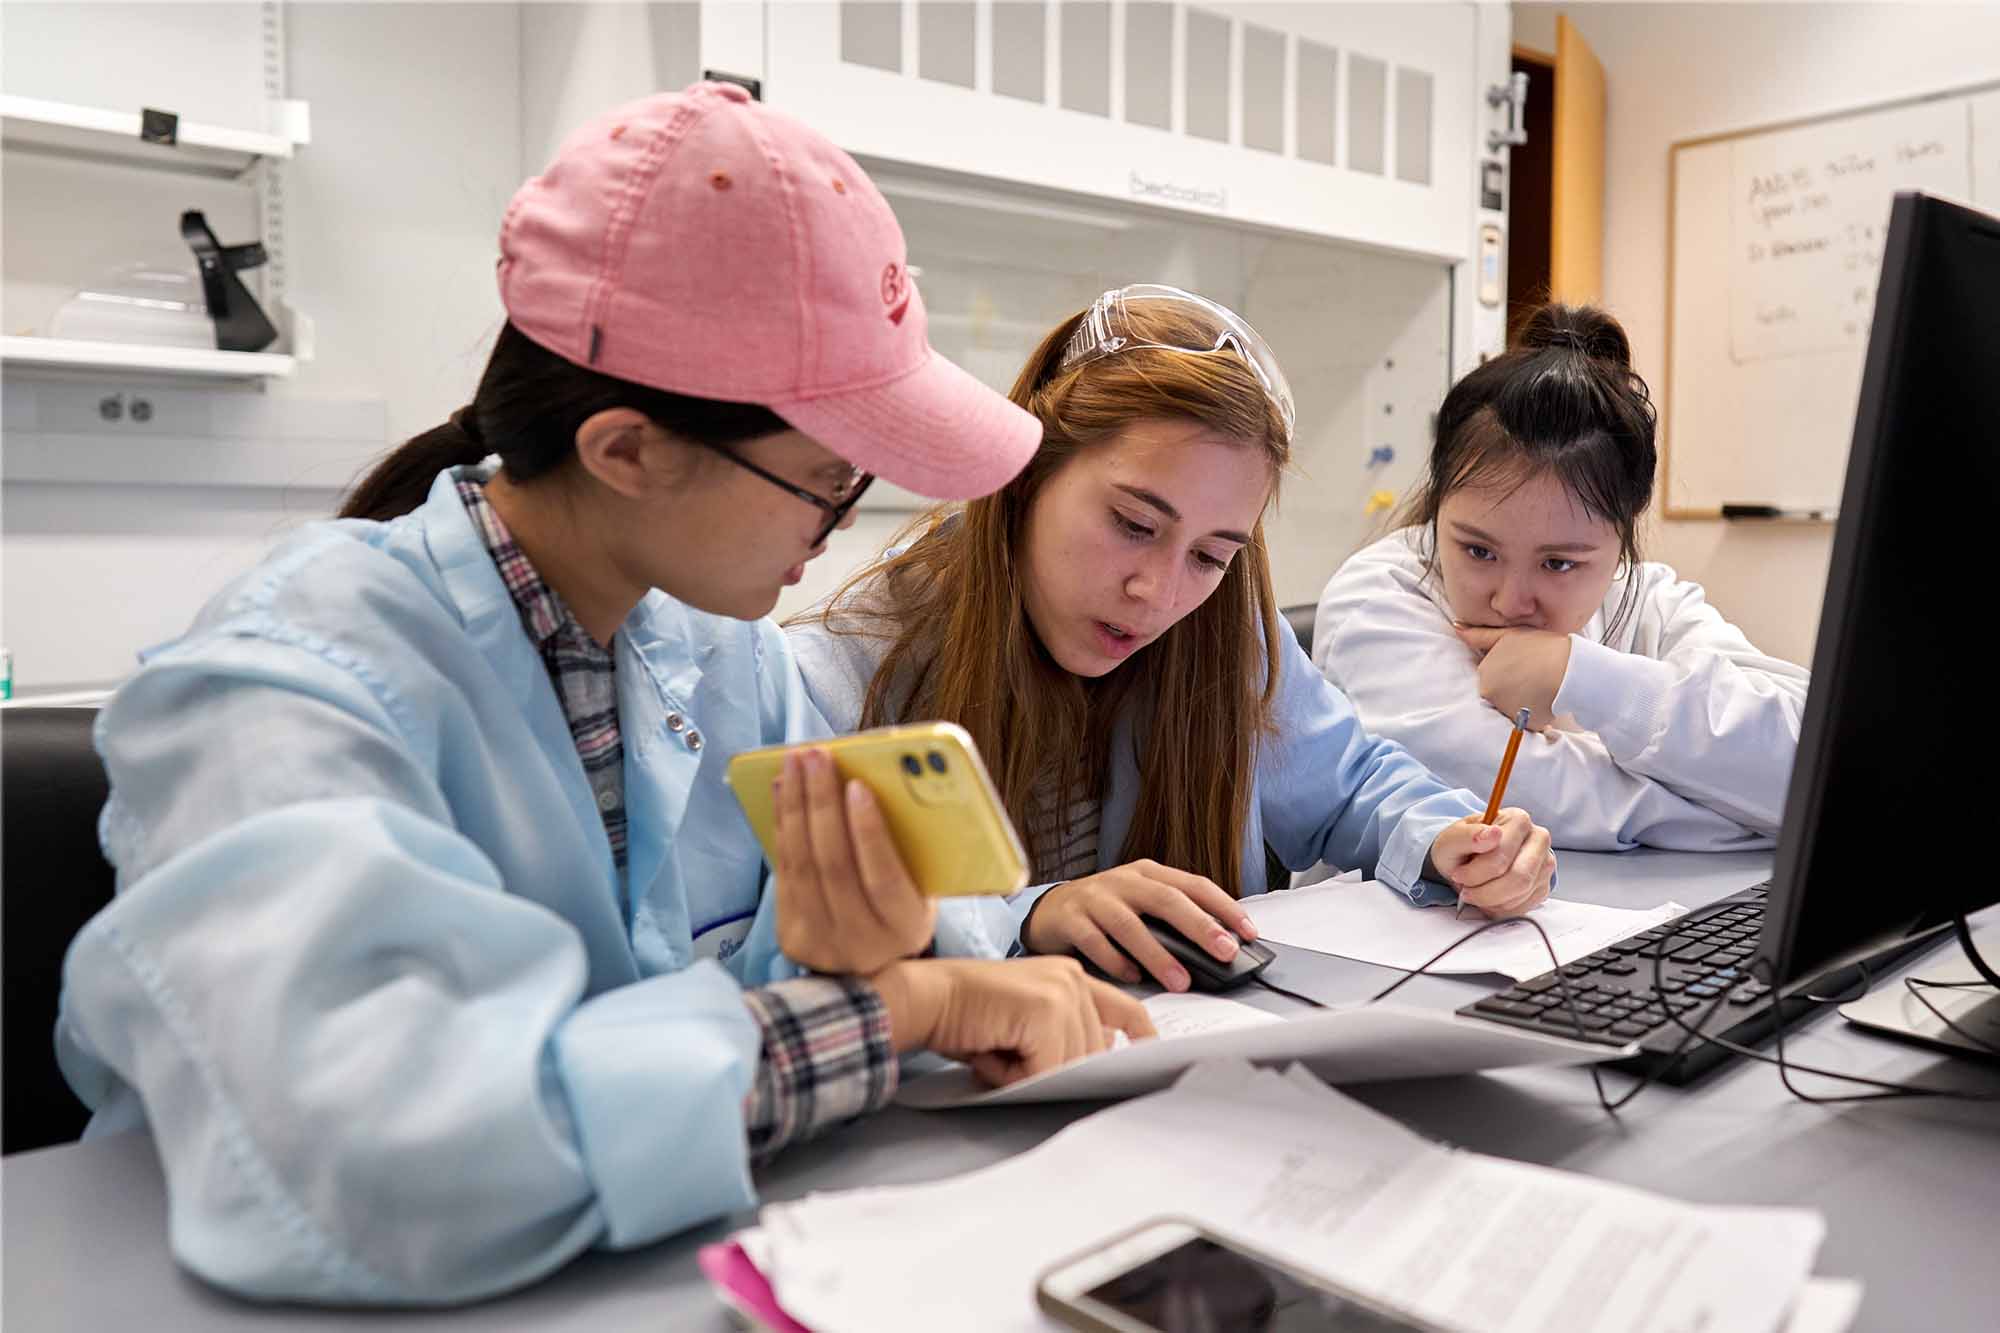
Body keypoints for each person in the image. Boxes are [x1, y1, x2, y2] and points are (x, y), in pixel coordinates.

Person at [53, 83, 1151, 1306]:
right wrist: (888, 1011)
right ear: (625, 449)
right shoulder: (282, 689)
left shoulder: (726, 652)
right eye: (826, 484)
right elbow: (373, 1157)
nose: (834, 536)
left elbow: (865, 966)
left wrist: (869, 958)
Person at [788, 285, 1556, 993]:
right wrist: (1027, 915)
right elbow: (791, 937)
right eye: (1133, 525)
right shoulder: (858, 659)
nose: (1158, 593)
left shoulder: (1223, 629)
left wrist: (1450, 838)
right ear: (1024, 473)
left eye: (1211, 555)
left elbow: (1349, 784)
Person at [1312, 302, 1810, 851]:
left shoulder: (1644, 596)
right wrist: (1746, 807)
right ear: (1437, 505)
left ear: (1621, 540)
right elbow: (1531, 805)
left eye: (1558, 563)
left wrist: (1588, 679)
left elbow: (1816, 763)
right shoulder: (1378, 598)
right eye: (1478, 550)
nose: (1509, 600)